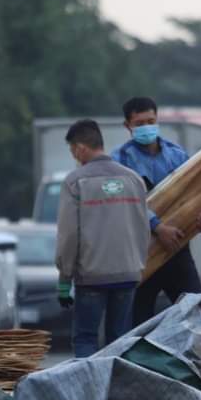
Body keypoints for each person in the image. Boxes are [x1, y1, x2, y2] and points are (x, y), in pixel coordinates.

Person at [112, 97, 201, 326]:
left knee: (197, 314)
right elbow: (124, 203)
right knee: (136, 325)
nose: (146, 127)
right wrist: (157, 227)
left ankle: (197, 362)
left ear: (158, 120)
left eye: (151, 121)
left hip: (177, 249)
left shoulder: (177, 155)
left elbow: (195, 195)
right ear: (127, 126)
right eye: (139, 123)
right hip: (140, 254)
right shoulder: (118, 161)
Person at [55, 120, 151, 357]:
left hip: (91, 276)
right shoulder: (134, 180)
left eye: (72, 151)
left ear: (80, 148)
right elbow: (143, 228)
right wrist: (137, 266)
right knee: (119, 342)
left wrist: (65, 279)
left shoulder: (75, 182)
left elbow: (69, 236)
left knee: (86, 338)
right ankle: (115, 393)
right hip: (128, 275)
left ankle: (88, 392)